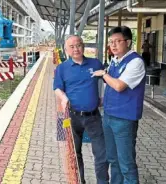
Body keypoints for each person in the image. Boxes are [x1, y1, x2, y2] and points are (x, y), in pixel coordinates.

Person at [53, 35, 109, 184]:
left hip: (93, 117)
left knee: (101, 154)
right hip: (72, 117)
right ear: (66, 50)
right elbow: (57, 88)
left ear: (83, 47)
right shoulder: (62, 68)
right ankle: (79, 181)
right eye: (72, 47)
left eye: (78, 45)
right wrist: (63, 98)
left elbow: (107, 80)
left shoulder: (95, 63)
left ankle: (103, 182)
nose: (76, 49)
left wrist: (105, 99)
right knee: (74, 153)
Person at [93, 26, 146, 184]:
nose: (113, 45)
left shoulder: (135, 62)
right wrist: (101, 101)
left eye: (117, 41)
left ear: (128, 42)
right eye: (111, 42)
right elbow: (111, 88)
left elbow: (118, 86)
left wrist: (104, 74)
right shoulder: (115, 61)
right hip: (108, 117)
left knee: (126, 164)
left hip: (124, 120)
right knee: (113, 160)